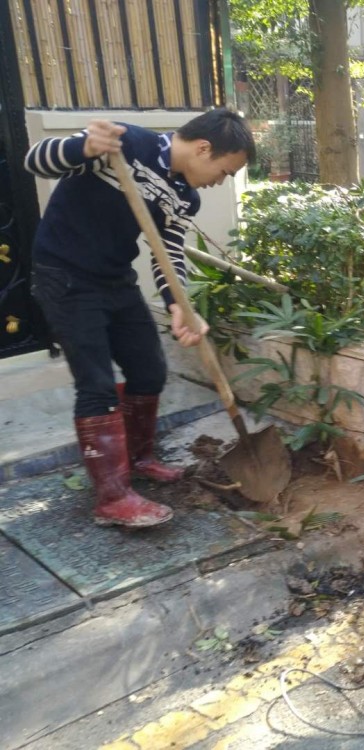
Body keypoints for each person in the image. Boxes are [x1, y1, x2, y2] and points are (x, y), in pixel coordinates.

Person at [24, 108, 255, 528]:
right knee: (96, 384)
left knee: (149, 370)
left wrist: (179, 304)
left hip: (115, 280)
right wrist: (83, 147)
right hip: (65, 276)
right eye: (225, 171)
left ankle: (137, 458)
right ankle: (112, 498)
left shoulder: (185, 196)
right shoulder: (125, 144)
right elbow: (35, 160)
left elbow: (168, 255)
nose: (221, 181)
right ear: (204, 149)